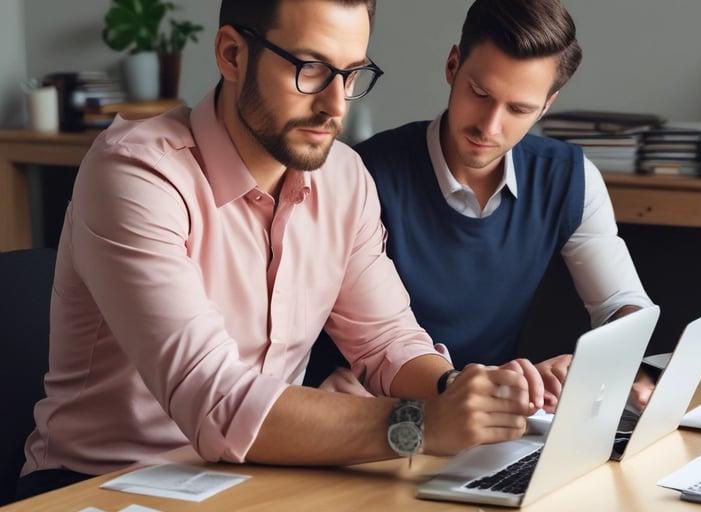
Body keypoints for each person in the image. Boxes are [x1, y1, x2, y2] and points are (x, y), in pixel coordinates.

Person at [16, 0, 546, 501]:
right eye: (310, 68)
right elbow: (218, 399)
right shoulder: (137, 174)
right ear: (232, 55)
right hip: (101, 487)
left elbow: (386, 341)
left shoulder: (344, 178)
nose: (334, 105)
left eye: (350, 74)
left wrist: (460, 392)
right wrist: (420, 426)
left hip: (256, 478)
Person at [308, 0, 655, 411]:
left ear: (547, 104)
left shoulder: (570, 178)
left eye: (519, 108)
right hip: (365, 409)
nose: (489, 126)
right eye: (480, 93)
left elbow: (621, 304)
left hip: (484, 421)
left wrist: (604, 363)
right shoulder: (360, 174)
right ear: (453, 66)